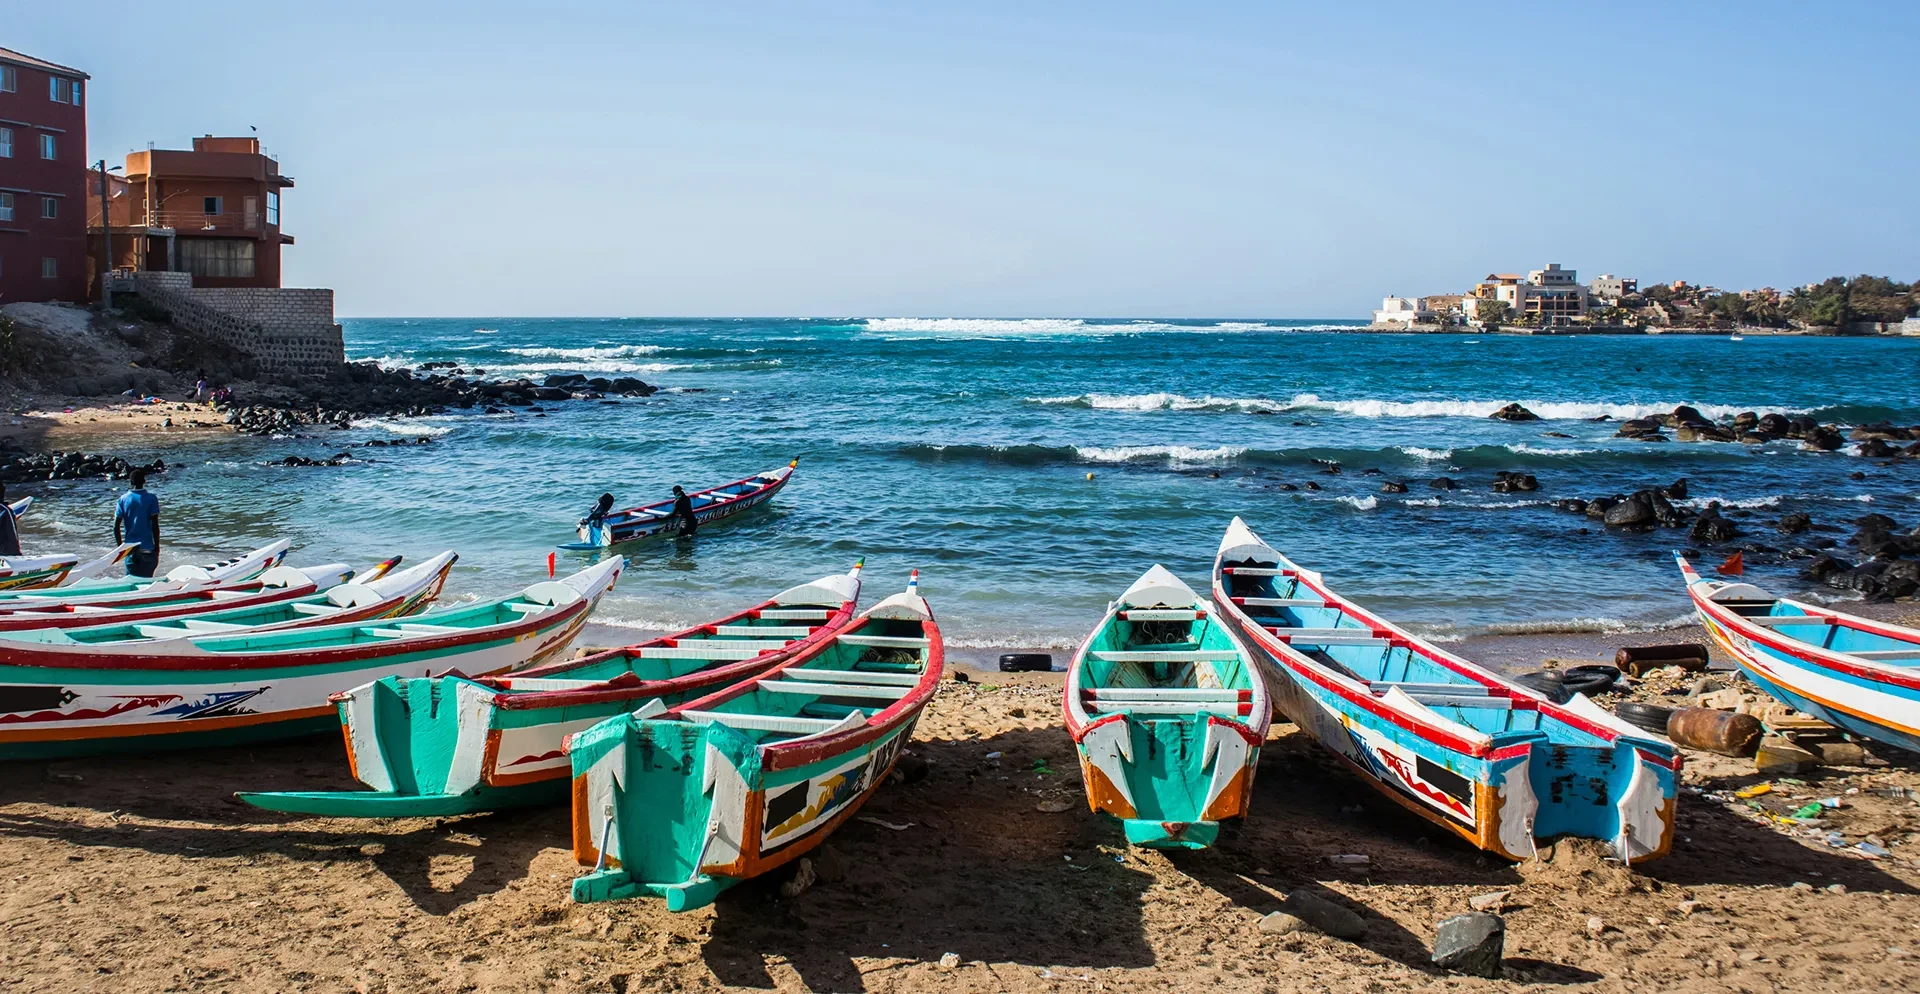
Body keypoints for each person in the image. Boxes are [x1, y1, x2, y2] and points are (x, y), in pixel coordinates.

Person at [114, 469, 161, 577]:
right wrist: (157, 546)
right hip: (148, 548)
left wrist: (120, 548)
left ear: (131, 483)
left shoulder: (123, 499)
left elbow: (116, 527)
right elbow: (155, 526)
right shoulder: (152, 498)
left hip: (130, 549)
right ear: (144, 481)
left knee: (131, 581)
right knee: (147, 583)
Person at [0, 482, 20, 557]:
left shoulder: (5, 511)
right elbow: (13, 535)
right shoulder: (6, 511)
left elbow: (12, 536)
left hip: (4, 556)